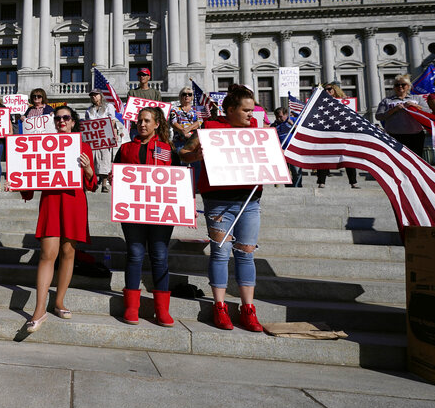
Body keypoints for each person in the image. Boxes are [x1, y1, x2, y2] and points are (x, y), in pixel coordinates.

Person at [180, 84, 264, 332]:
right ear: (230, 110)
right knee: (219, 253)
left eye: (252, 110)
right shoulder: (209, 128)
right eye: (246, 110)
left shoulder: (257, 131)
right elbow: (183, 151)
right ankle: (220, 306)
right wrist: (195, 157)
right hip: (218, 199)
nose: (251, 114)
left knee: (246, 252)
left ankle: (247, 308)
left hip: (249, 198)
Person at [19, 104, 97, 332]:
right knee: (47, 254)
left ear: (73, 122)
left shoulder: (83, 147)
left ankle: (59, 301)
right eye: (57, 118)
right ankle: (39, 309)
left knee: (68, 252)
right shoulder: (43, 145)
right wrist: (20, 183)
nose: (61, 121)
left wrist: (89, 169)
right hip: (52, 202)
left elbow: (90, 183)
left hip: (74, 202)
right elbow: (32, 174)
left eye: (66, 118)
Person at [114, 107, 176, 326]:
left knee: (159, 255)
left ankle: (162, 309)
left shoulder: (167, 149)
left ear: (157, 124)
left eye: (147, 121)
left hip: (161, 212)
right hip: (132, 210)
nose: (142, 124)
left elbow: (178, 179)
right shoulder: (124, 149)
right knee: (135, 253)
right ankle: (131, 306)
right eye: (139, 120)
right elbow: (116, 176)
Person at [315, 83, 359, 189]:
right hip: (327, 132)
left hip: (343, 132)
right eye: (325, 90)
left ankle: (353, 182)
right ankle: (321, 181)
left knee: (348, 156)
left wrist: (346, 102)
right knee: (324, 156)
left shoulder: (345, 102)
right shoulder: (321, 102)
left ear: (335, 90)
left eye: (329, 89)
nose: (327, 91)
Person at [375, 75, 426, 156]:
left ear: (408, 86)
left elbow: (428, 112)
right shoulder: (387, 100)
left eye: (403, 84)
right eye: (397, 85)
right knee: (396, 160)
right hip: (394, 136)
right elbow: (378, 116)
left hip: (415, 136)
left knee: (415, 160)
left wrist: (415, 106)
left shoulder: (417, 98)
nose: (400, 86)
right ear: (394, 87)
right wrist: (394, 109)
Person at [83, 88, 119, 192]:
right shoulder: (89, 110)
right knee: (93, 159)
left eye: (96, 95)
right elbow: (87, 124)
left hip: (105, 136)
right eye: (92, 95)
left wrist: (112, 132)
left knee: (105, 159)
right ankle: (93, 183)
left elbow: (112, 121)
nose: (94, 97)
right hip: (93, 138)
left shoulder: (108, 107)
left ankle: (104, 183)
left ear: (100, 95)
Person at [271, 107, 302, 187]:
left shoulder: (294, 120)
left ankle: (297, 186)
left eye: (281, 116)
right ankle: (288, 187)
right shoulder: (275, 124)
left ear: (286, 114)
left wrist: (292, 124)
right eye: (277, 116)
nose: (279, 118)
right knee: (285, 172)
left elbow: (301, 131)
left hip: (293, 149)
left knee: (296, 170)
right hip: (281, 150)